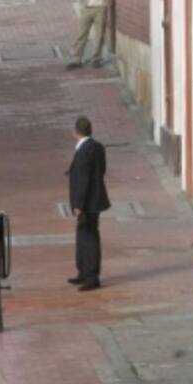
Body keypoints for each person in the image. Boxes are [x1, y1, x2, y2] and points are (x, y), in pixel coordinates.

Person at [66, 116, 110, 292]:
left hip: (88, 202)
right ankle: (83, 272)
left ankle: (91, 275)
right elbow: (101, 170)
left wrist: (78, 204)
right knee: (84, 234)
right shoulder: (97, 147)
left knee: (88, 236)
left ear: (76, 132)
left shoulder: (83, 150)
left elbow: (84, 178)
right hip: (96, 199)